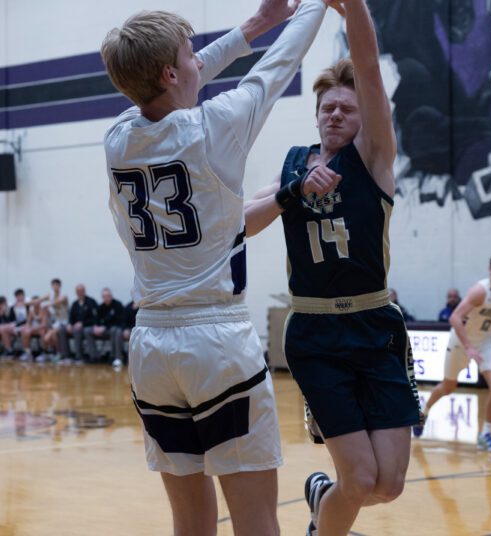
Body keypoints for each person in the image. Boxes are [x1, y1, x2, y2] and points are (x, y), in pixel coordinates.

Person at [100, 1, 330, 534]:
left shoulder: (117, 138)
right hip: (216, 342)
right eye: (190, 54)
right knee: (256, 521)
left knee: (190, 521)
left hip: (151, 349)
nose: (200, 61)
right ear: (170, 73)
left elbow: (175, 78)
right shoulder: (213, 126)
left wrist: (255, 25)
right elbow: (280, 64)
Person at [247, 2, 420, 534]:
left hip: (374, 326)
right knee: (361, 477)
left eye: (347, 107)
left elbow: (368, 68)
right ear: (316, 113)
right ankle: (326, 517)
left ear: (365, 117)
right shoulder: (293, 166)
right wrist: (291, 192)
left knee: (388, 484)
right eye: (328, 107)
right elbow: (241, 223)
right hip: (316, 333)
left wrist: (356, 11)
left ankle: (322, 497)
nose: (336, 114)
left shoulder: (373, 158)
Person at [413, 254, 491, 453]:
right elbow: (455, 318)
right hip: (460, 341)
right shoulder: (480, 291)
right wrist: (469, 347)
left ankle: (486, 434)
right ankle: (423, 412)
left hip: (485, 342)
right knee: (448, 386)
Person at [61, 284, 99, 364]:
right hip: (75, 326)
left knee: (77, 330)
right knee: (62, 330)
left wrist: (82, 323)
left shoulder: (91, 302)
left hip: (87, 326)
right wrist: (70, 324)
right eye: (78, 291)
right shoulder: (75, 303)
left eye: (81, 291)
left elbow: (95, 318)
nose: (79, 293)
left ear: (84, 291)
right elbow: (71, 317)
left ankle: (79, 356)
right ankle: (66, 356)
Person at [93, 288, 126, 367]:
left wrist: (105, 327)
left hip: (117, 329)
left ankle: (117, 357)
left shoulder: (118, 305)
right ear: (102, 298)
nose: (106, 298)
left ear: (111, 296)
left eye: (108, 296)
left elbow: (120, 321)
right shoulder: (101, 307)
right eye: (104, 296)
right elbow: (97, 320)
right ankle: (95, 357)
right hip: (105, 330)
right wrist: (96, 326)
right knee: (88, 331)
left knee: (115, 330)